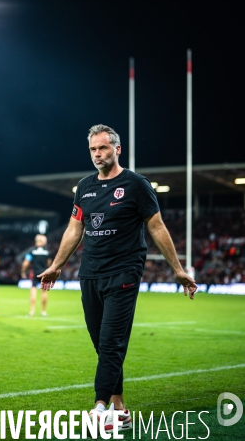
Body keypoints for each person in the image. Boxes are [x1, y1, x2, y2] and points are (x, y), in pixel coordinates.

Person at [39, 124, 197, 433]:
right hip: (90, 273)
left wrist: (177, 269)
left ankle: (100, 407)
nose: (97, 154)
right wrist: (57, 265)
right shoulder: (84, 186)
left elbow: (156, 225)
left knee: (111, 342)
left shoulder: (136, 184)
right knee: (101, 343)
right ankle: (121, 409)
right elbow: (75, 229)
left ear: (117, 149)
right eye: (93, 150)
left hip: (124, 271)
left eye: (103, 148)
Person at [21, 234, 51, 316]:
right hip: (44, 273)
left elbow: (26, 263)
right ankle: (43, 311)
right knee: (44, 292)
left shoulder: (32, 251)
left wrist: (23, 271)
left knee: (33, 291)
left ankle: (32, 311)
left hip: (34, 273)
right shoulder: (47, 251)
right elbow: (49, 264)